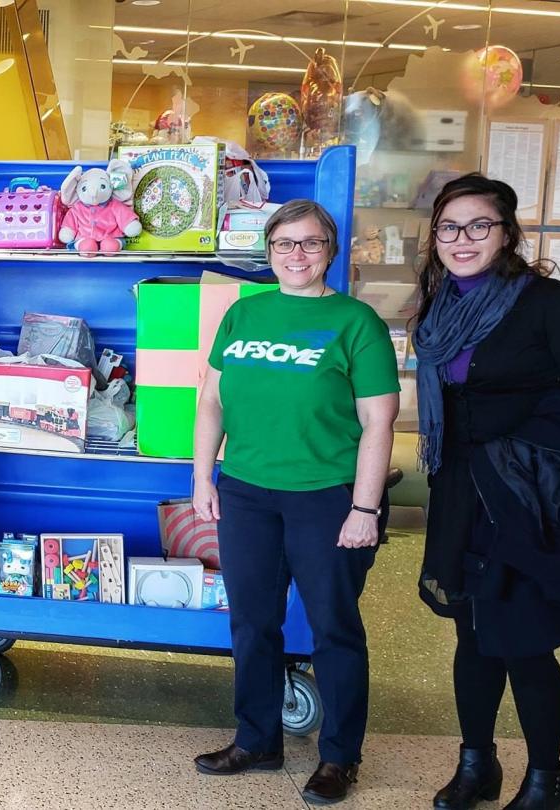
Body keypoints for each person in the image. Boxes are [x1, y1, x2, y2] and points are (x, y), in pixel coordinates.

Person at [412, 173, 560, 810]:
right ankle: (478, 764)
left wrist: (521, 442)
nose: (462, 239)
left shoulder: (546, 302)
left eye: (479, 226)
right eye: (449, 227)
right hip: (460, 492)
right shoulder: (440, 305)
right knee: (473, 633)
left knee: (521, 633)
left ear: (507, 233)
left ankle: (545, 777)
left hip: (522, 496)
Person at [191, 199, 400, 805]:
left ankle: (339, 756)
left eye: (310, 243)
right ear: (270, 252)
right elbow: (212, 402)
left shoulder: (356, 323)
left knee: (335, 628)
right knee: (252, 623)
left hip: (326, 497)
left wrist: (364, 509)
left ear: (330, 250)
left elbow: (378, 423)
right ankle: (257, 738)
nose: (297, 255)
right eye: (284, 244)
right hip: (248, 492)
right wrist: (203, 478)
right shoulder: (243, 314)